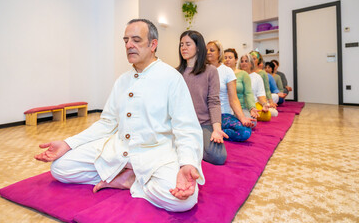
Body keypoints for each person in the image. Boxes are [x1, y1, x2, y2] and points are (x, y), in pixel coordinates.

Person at [35, 19, 205, 212]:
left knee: (183, 200)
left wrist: (187, 163)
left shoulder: (171, 78)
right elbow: (107, 123)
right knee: (60, 168)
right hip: (120, 148)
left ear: (153, 44)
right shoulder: (122, 81)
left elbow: (186, 128)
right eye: (126, 40)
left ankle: (131, 179)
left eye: (136, 40)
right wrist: (68, 143)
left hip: (156, 153)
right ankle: (131, 176)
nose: (128, 45)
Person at [178, 30, 228, 165]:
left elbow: (214, 102)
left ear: (198, 47)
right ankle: (189, 145)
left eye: (188, 44)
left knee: (218, 157)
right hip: (181, 125)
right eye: (181, 44)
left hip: (203, 124)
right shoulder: (177, 73)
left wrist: (217, 129)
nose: (183, 47)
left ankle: (190, 146)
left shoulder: (211, 71)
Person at [206, 40, 254, 142]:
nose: (208, 52)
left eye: (212, 50)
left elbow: (234, 99)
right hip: (206, 116)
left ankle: (219, 132)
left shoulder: (227, 71)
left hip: (224, 114)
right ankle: (212, 131)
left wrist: (242, 118)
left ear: (219, 53)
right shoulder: (201, 70)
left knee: (245, 132)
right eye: (206, 50)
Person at [224, 48, 259, 126]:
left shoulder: (243, 74)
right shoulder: (219, 73)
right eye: (225, 58)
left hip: (241, 108)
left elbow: (248, 93)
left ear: (236, 60)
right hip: (224, 108)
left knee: (252, 122)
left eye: (230, 57)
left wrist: (252, 108)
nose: (227, 60)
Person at [239, 54, 271, 121]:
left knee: (267, 115)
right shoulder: (237, 76)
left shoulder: (257, 77)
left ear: (251, 63)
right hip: (241, 105)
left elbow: (261, 95)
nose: (244, 63)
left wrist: (265, 104)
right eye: (242, 61)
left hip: (254, 104)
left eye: (246, 61)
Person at [249, 51, 279, 117]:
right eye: (251, 58)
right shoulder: (245, 71)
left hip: (261, 97)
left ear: (258, 61)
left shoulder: (262, 73)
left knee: (276, 98)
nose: (252, 60)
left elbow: (267, 89)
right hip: (250, 98)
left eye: (254, 59)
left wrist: (271, 102)